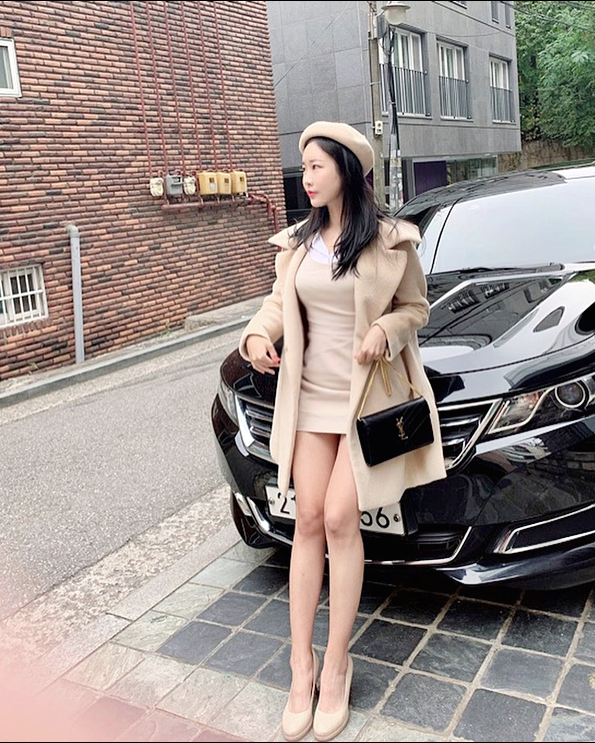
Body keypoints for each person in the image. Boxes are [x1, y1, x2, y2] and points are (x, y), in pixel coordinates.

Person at [239, 121, 446, 742]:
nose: (305, 177)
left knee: (337, 520)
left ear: (347, 172)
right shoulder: (298, 244)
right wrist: (257, 334)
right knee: (305, 521)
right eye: (302, 166)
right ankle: (300, 666)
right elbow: (278, 305)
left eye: (316, 166)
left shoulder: (390, 241)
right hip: (309, 402)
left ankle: (336, 666)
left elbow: (416, 307)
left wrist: (387, 330)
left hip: (364, 406)